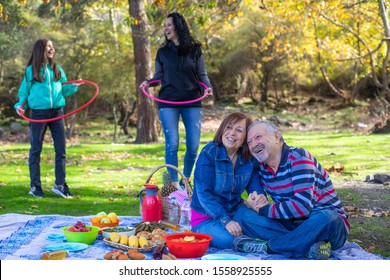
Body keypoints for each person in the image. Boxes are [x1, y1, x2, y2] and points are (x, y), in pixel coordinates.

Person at [233, 120, 350, 259]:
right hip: (291, 223)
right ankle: (309, 248)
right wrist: (256, 202)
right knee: (243, 216)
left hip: (325, 225)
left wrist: (264, 209)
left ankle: (269, 247)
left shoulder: (299, 158)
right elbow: (254, 191)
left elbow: (302, 207)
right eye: (249, 142)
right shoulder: (261, 167)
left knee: (327, 216)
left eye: (258, 137)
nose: (253, 145)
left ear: (276, 137)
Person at [140, 12, 213, 190]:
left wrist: (207, 87)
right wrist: (148, 83)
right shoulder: (163, 52)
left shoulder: (195, 49)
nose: (166, 28)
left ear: (178, 27)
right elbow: (158, 77)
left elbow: (201, 74)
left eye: (169, 25)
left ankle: (185, 179)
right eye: (165, 25)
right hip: (168, 102)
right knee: (172, 143)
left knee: (193, 145)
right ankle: (173, 184)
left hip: (192, 101)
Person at [14, 38, 80, 199]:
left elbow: (64, 90)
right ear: (40, 50)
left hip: (57, 112)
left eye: (52, 46)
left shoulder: (57, 69)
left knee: (61, 150)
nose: (52, 49)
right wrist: (19, 105)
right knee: (35, 150)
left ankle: (60, 185)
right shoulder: (32, 70)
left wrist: (73, 86)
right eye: (48, 47)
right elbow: (25, 92)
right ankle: (35, 186)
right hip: (38, 113)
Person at [190, 112, 266, 249]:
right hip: (206, 217)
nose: (232, 133)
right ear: (222, 129)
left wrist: (259, 198)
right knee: (228, 239)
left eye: (239, 130)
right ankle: (268, 246)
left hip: (235, 210)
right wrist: (226, 220)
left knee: (265, 225)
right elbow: (204, 194)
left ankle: (297, 241)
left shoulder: (249, 159)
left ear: (245, 138)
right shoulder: (209, 152)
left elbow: (256, 188)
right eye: (229, 127)